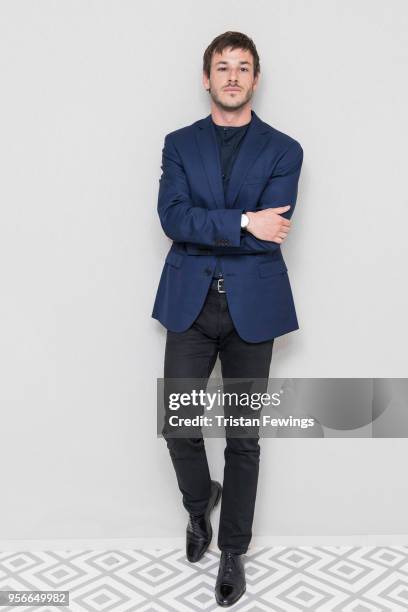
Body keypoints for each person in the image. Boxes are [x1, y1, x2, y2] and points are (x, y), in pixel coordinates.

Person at [152, 31, 304, 607]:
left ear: (255, 78)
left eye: (243, 67)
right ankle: (200, 505)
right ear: (207, 78)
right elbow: (173, 218)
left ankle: (234, 551)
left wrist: (215, 223)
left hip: (252, 310)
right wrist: (244, 221)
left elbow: (274, 237)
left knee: (245, 440)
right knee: (178, 424)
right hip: (190, 304)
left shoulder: (285, 149)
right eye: (222, 67)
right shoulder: (178, 144)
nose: (232, 76)